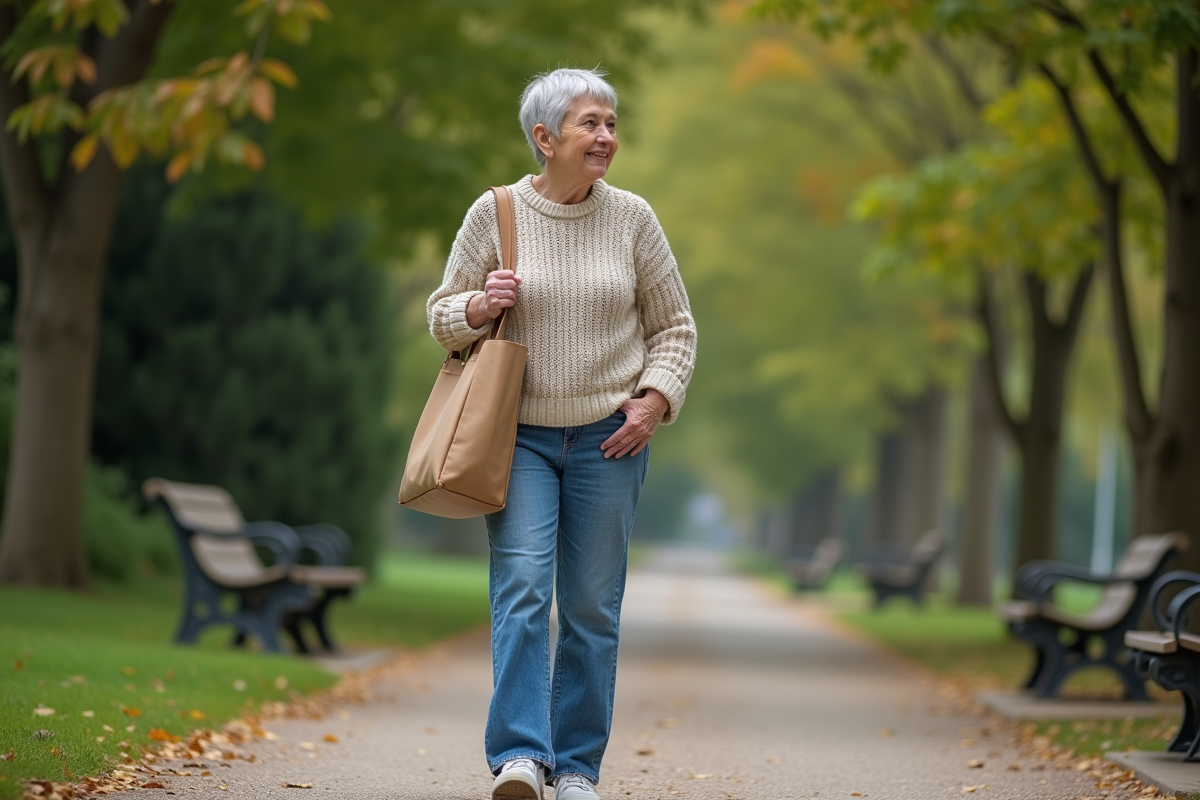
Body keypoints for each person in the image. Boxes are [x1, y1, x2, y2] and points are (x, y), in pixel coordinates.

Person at [427, 67, 697, 800]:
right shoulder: (497, 211)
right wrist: (481, 305)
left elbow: (675, 328)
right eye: (590, 123)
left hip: (610, 441)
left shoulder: (634, 219)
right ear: (545, 138)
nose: (606, 136)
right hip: (519, 441)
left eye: (611, 122)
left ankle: (576, 769)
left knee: (589, 607)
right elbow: (441, 314)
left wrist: (653, 401)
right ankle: (519, 756)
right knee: (520, 590)